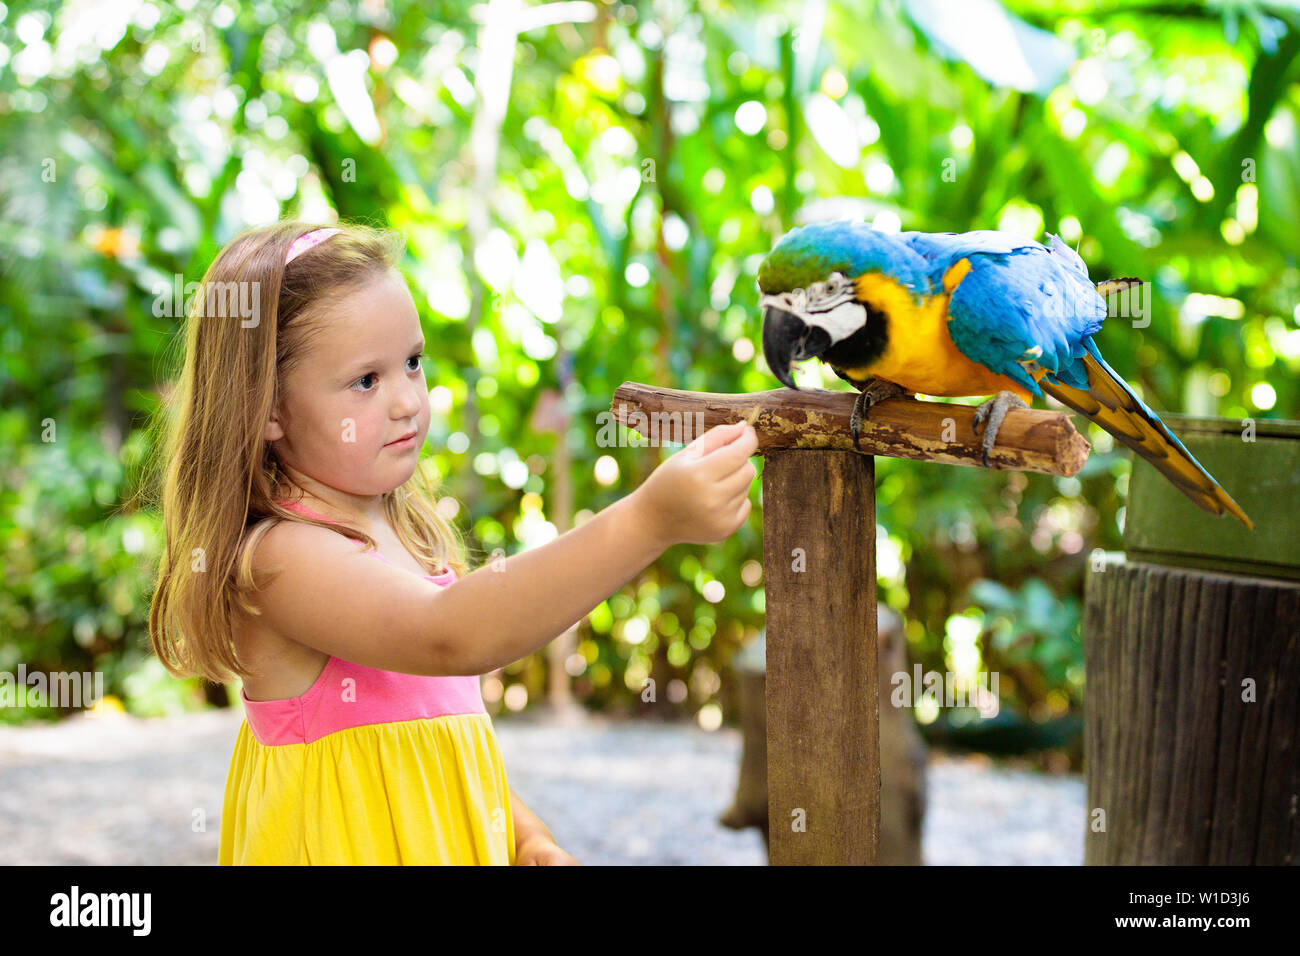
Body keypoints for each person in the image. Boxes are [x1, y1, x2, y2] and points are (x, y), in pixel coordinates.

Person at [145, 220, 759, 865]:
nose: (408, 399)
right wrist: (648, 521)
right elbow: (453, 636)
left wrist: (525, 837)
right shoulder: (280, 557)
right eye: (366, 381)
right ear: (267, 407)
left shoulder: (403, 535)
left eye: (412, 362)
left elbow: (443, 738)